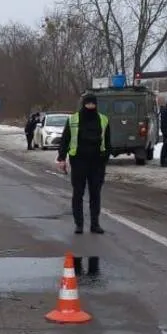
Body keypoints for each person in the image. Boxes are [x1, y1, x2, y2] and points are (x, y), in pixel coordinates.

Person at [56, 92, 111, 234]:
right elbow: (65, 139)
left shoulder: (103, 119)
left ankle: (95, 224)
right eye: (88, 104)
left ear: (96, 105)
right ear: (83, 104)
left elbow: (108, 141)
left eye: (93, 104)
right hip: (79, 161)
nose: (90, 106)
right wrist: (61, 158)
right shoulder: (74, 119)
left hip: (97, 163)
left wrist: (105, 157)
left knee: (95, 194)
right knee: (78, 193)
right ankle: (79, 224)